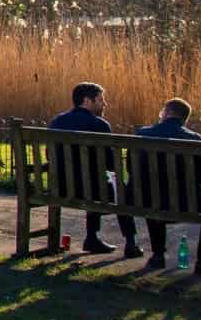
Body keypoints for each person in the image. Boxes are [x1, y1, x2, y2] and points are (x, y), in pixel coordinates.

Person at [136, 97, 201, 275]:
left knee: (155, 196)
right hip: (188, 203)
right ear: (184, 118)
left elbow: (133, 168)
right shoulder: (195, 139)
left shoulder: (143, 133)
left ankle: (157, 256)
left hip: (149, 200)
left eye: (162, 111)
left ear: (168, 113)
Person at [48, 82, 139, 257]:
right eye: (100, 99)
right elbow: (111, 164)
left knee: (98, 181)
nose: (104, 104)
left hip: (60, 188)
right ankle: (131, 243)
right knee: (122, 189)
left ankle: (92, 238)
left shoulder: (56, 121)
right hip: (91, 191)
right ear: (87, 101)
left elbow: (49, 156)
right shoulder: (99, 124)